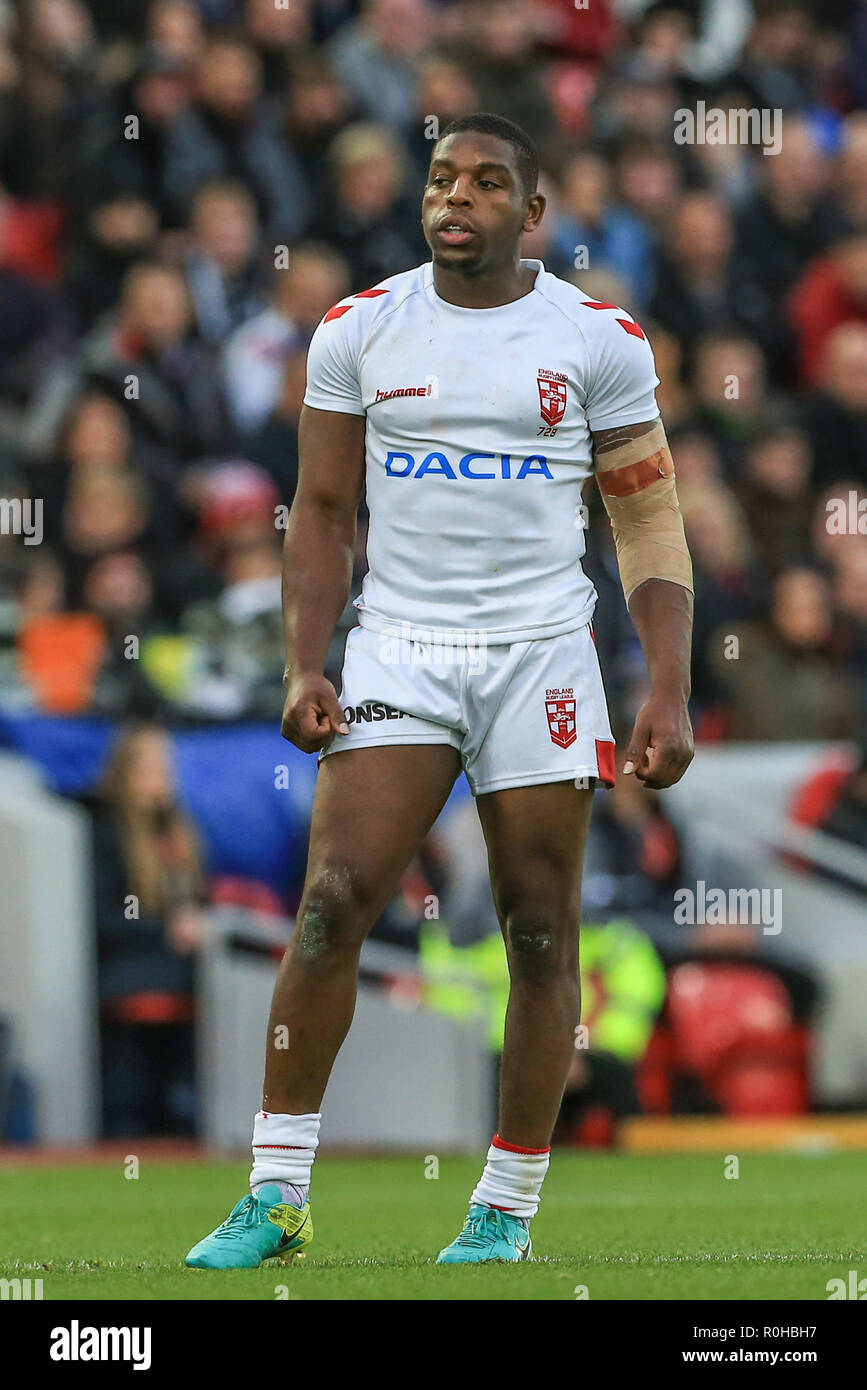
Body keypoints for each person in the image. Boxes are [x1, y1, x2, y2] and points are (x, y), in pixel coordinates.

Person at [185, 112, 694, 1270]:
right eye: (439, 179)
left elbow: (647, 517)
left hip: (542, 653)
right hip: (401, 647)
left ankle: (504, 1207)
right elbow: (319, 513)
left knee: (537, 924)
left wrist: (666, 686)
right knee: (330, 902)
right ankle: (277, 1196)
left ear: (533, 213)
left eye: (485, 182)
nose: (454, 198)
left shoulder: (598, 338)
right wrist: (305, 660)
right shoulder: (359, 329)